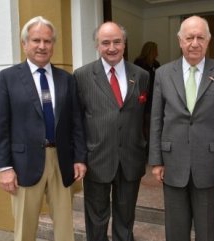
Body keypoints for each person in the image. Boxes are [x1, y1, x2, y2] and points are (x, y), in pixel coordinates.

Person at [0, 16, 86, 241]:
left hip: (61, 161)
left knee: (65, 228)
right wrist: (4, 167)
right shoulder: (7, 78)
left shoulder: (66, 79)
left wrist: (79, 158)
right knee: (25, 228)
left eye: (47, 41)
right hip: (23, 164)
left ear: (53, 44)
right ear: (24, 44)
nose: (42, 46)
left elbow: (76, 122)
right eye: (36, 40)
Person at [148, 15, 214, 241]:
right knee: (176, 231)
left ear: (208, 41)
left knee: (207, 231)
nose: (194, 43)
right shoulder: (163, 73)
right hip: (173, 163)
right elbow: (156, 119)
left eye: (200, 37)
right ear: (180, 41)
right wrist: (156, 160)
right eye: (189, 37)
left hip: (210, 163)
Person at [73, 22, 149, 241]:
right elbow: (77, 122)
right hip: (96, 159)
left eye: (117, 41)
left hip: (131, 159)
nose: (112, 47)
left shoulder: (142, 75)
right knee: (96, 221)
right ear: (97, 46)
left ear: (124, 44)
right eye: (105, 43)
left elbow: (146, 117)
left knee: (125, 220)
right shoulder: (82, 76)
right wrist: (79, 157)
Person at [134, 41, 160, 147]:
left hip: (154, 96)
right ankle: (143, 146)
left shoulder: (156, 64)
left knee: (152, 122)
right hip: (142, 96)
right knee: (142, 122)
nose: (157, 53)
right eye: (155, 50)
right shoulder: (139, 63)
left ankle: (150, 147)